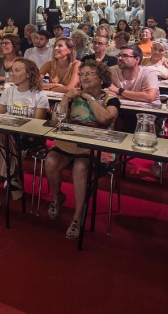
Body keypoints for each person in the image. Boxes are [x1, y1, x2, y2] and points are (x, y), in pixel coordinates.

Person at [44, 60, 120, 239]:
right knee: (51, 160)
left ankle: (78, 216)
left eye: (89, 74)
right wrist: (66, 98)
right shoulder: (73, 96)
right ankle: (57, 197)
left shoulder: (111, 99)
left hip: (96, 146)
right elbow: (56, 121)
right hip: (70, 143)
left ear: (101, 78)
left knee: (80, 167)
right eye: (81, 74)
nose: (84, 78)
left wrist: (89, 98)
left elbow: (104, 119)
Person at [0, 58, 49, 211]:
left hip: (27, 137)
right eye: (12, 70)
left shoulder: (40, 95)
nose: (12, 74)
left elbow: (37, 125)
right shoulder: (8, 91)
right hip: (7, 134)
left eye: (17, 70)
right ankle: (11, 176)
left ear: (29, 73)